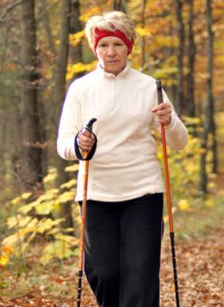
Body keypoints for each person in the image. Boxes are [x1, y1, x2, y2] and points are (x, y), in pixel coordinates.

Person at [56, 11, 189, 307]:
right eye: (103, 45)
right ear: (95, 49)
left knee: (140, 276)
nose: (110, 52)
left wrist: (170, 122)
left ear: (128, 46)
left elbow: (179, 142)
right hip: (97, 192)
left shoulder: (148, 87)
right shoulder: (81, 88)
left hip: (143, 190)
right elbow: (63, 146)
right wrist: (79, 144)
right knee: (104, 273)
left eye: (117, 44)